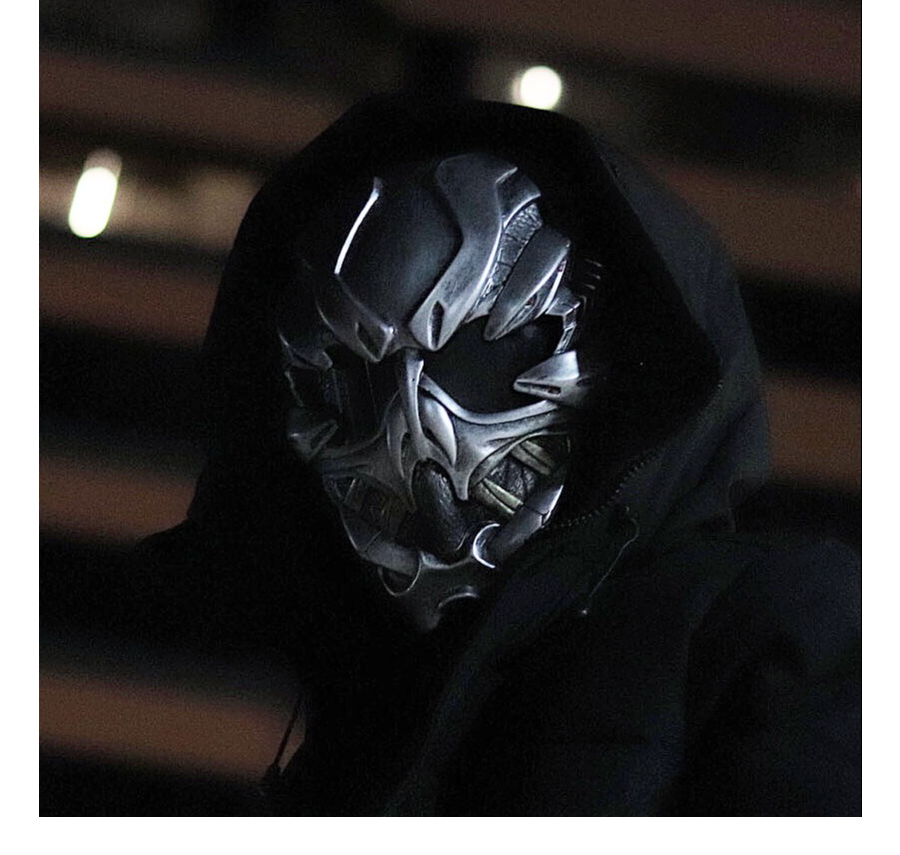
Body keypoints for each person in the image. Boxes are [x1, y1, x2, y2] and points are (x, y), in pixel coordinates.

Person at [139, 96, 860, 816]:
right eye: (354, 380)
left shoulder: (771, 622)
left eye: (474, 360)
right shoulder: (366, 706)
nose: (412, 438)